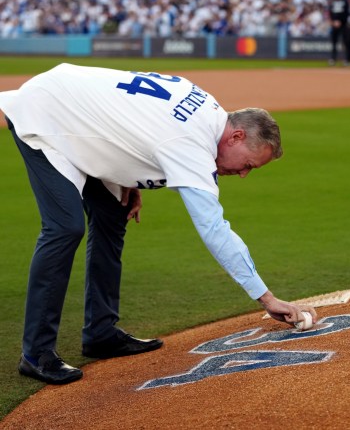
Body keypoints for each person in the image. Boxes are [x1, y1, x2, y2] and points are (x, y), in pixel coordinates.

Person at [0, 64, 317, 385]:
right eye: (248, 164)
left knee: (113, 213)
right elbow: (213, 228)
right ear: (237, 136)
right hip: (47, 115)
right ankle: (36, 353)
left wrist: (127, 177)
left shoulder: (206, 107)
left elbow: (137, 120)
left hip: (73, 108)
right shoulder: (193, 143)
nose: (245, 174)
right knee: (64, 227)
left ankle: (100, 332)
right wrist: (266, 298)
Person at [328, 0, 349, 65]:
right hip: (334, 25)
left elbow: (346, 13)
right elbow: (330, 13)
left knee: (345, 42)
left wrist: (340, 21)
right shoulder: (333, 1)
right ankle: (333, 58)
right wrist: (333, 22)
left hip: (343, 25)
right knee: (334, 43)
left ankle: (347, 59)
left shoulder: (345, 1)